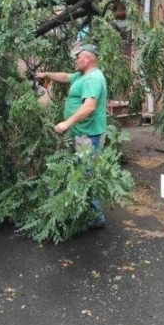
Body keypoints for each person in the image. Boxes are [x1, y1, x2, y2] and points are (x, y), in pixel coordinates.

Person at [36, 44, 109, 226]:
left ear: (89, 59)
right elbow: (65, 76)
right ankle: (85, 210)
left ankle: (96, 217)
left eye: (78, 57)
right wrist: (45, 75)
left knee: (88, 174)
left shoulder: (93, 79)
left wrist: (66, 123)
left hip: (89, 134)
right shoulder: (82, 76)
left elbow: (89, 106)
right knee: (82, 171)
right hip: (82, 133)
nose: (75, 60)